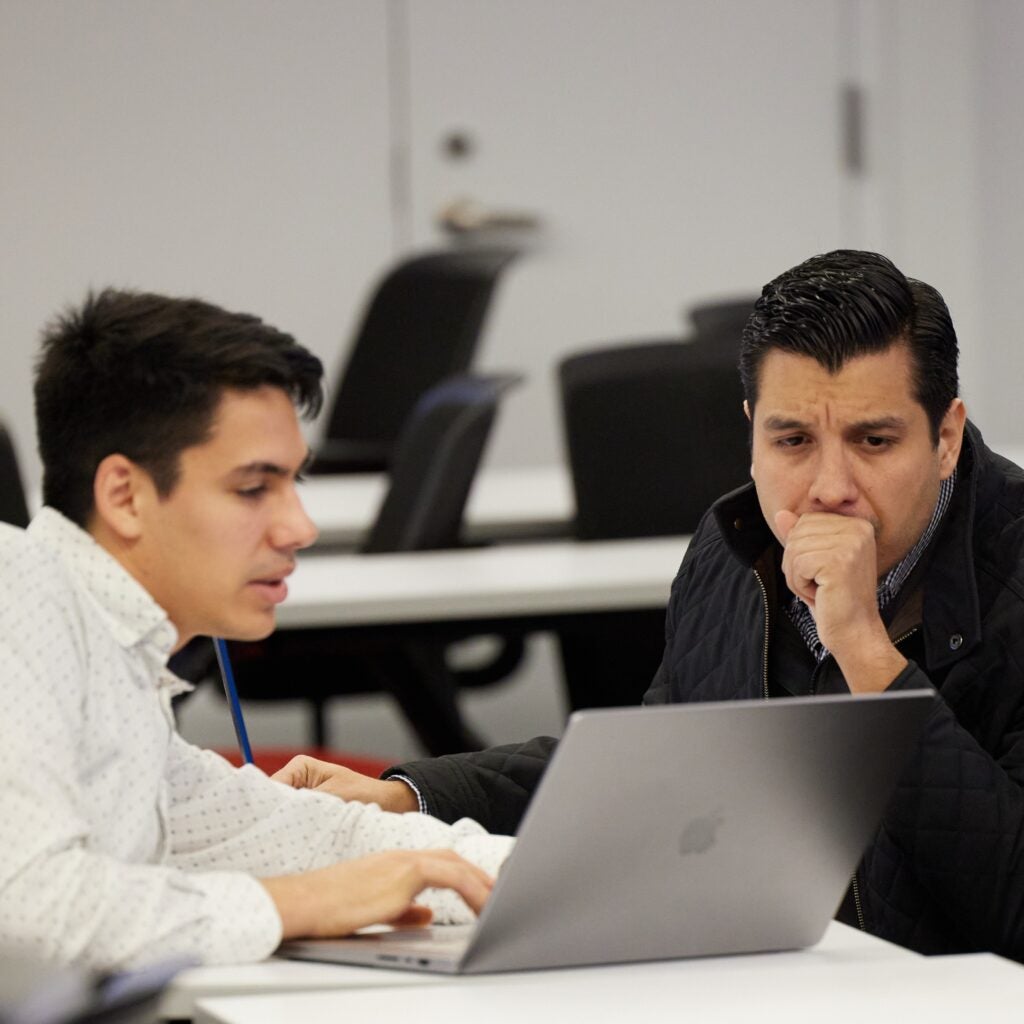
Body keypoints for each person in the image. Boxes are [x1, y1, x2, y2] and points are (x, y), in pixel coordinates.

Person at [281, 250, 1024, 960]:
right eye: (792, 440)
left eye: (873, 440)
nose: (830, 485)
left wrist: (866, 649)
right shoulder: (734, 549)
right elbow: (655, 777)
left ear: (946, 437)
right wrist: (408, 796)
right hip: (778, 983)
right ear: (752, 434)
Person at [0, 288, 513, 972]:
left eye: (294, 482)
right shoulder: (18, 598)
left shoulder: (112, 656)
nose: (299, 527)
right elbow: (29, 914)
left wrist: (538, 874)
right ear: (124, 496)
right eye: (252, 488)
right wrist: (297, 904)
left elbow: (294, 833)